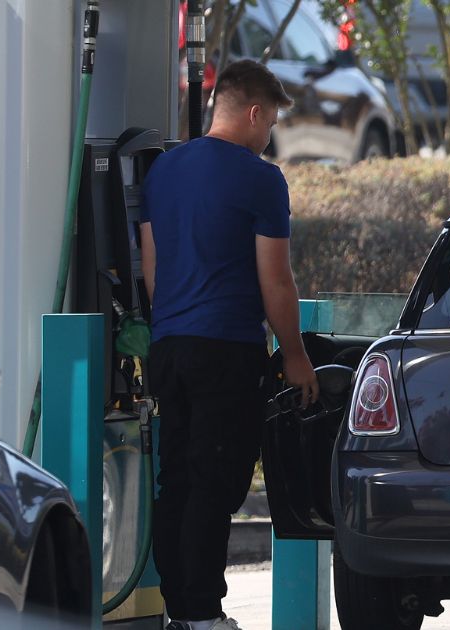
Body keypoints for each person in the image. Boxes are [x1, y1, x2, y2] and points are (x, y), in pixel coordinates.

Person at [140, 59, 319, 630]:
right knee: (216, 483)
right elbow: (276, 279)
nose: (267, 138)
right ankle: (202, 613)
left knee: (179, 479)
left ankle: (177, 608)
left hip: (169, 346)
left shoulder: (163, 172)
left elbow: (153, 268)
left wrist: (171, 323)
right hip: (227, 349)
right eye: (268, 125)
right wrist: (294, 354)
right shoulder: (260, 179)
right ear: (252, 112)